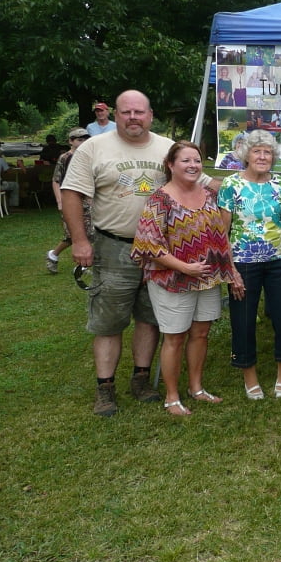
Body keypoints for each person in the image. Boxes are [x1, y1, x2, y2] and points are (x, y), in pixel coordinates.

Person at [61, 90, 218, 417]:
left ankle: (141, 379)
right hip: (115, 245)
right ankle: (105, 387)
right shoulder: (93, 147)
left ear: (150, 115)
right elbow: (72, 194)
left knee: (150, 317)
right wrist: (79, 241)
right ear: (115, 115)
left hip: (164, 251)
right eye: (126, 112)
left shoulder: (166, 148)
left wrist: (248, 182)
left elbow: (202, 181)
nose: (133, 117)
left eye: (140, 112)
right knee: (110, 320)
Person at [131, 141, 239, 415]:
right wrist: (183, 267)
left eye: (197, 161)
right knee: (175, 337)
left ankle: (196, 388)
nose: (193, 165)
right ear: (171, 165)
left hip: (207, 279)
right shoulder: (159, 199)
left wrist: (230, 272)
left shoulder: (209, 196)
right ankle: (171, 396)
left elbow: (221, 237)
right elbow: (148, 245)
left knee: (201, 334)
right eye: (186, 161)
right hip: (172, 281)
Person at [217, 129, 281, 400]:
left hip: (280, 259)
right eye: (257, 151)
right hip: (243, 261)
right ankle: (249, 376)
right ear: (246, 155)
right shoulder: (231, 185)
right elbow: (222, 232)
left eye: (268, 152)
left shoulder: (280, 185)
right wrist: (231, 272)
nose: (263, 156)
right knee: (244, 320)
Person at [45, 128, 92, 273]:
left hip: (86, 199)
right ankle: (53, 255)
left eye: (85, 139)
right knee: (72, 235)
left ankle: (83, 265)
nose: (83, 142)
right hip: (70, 200)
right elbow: (56, 180)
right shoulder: (65, 158)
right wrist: (60, 201)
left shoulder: (89, 156)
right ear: (70, 141)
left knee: (90, 232)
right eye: (79, 139)